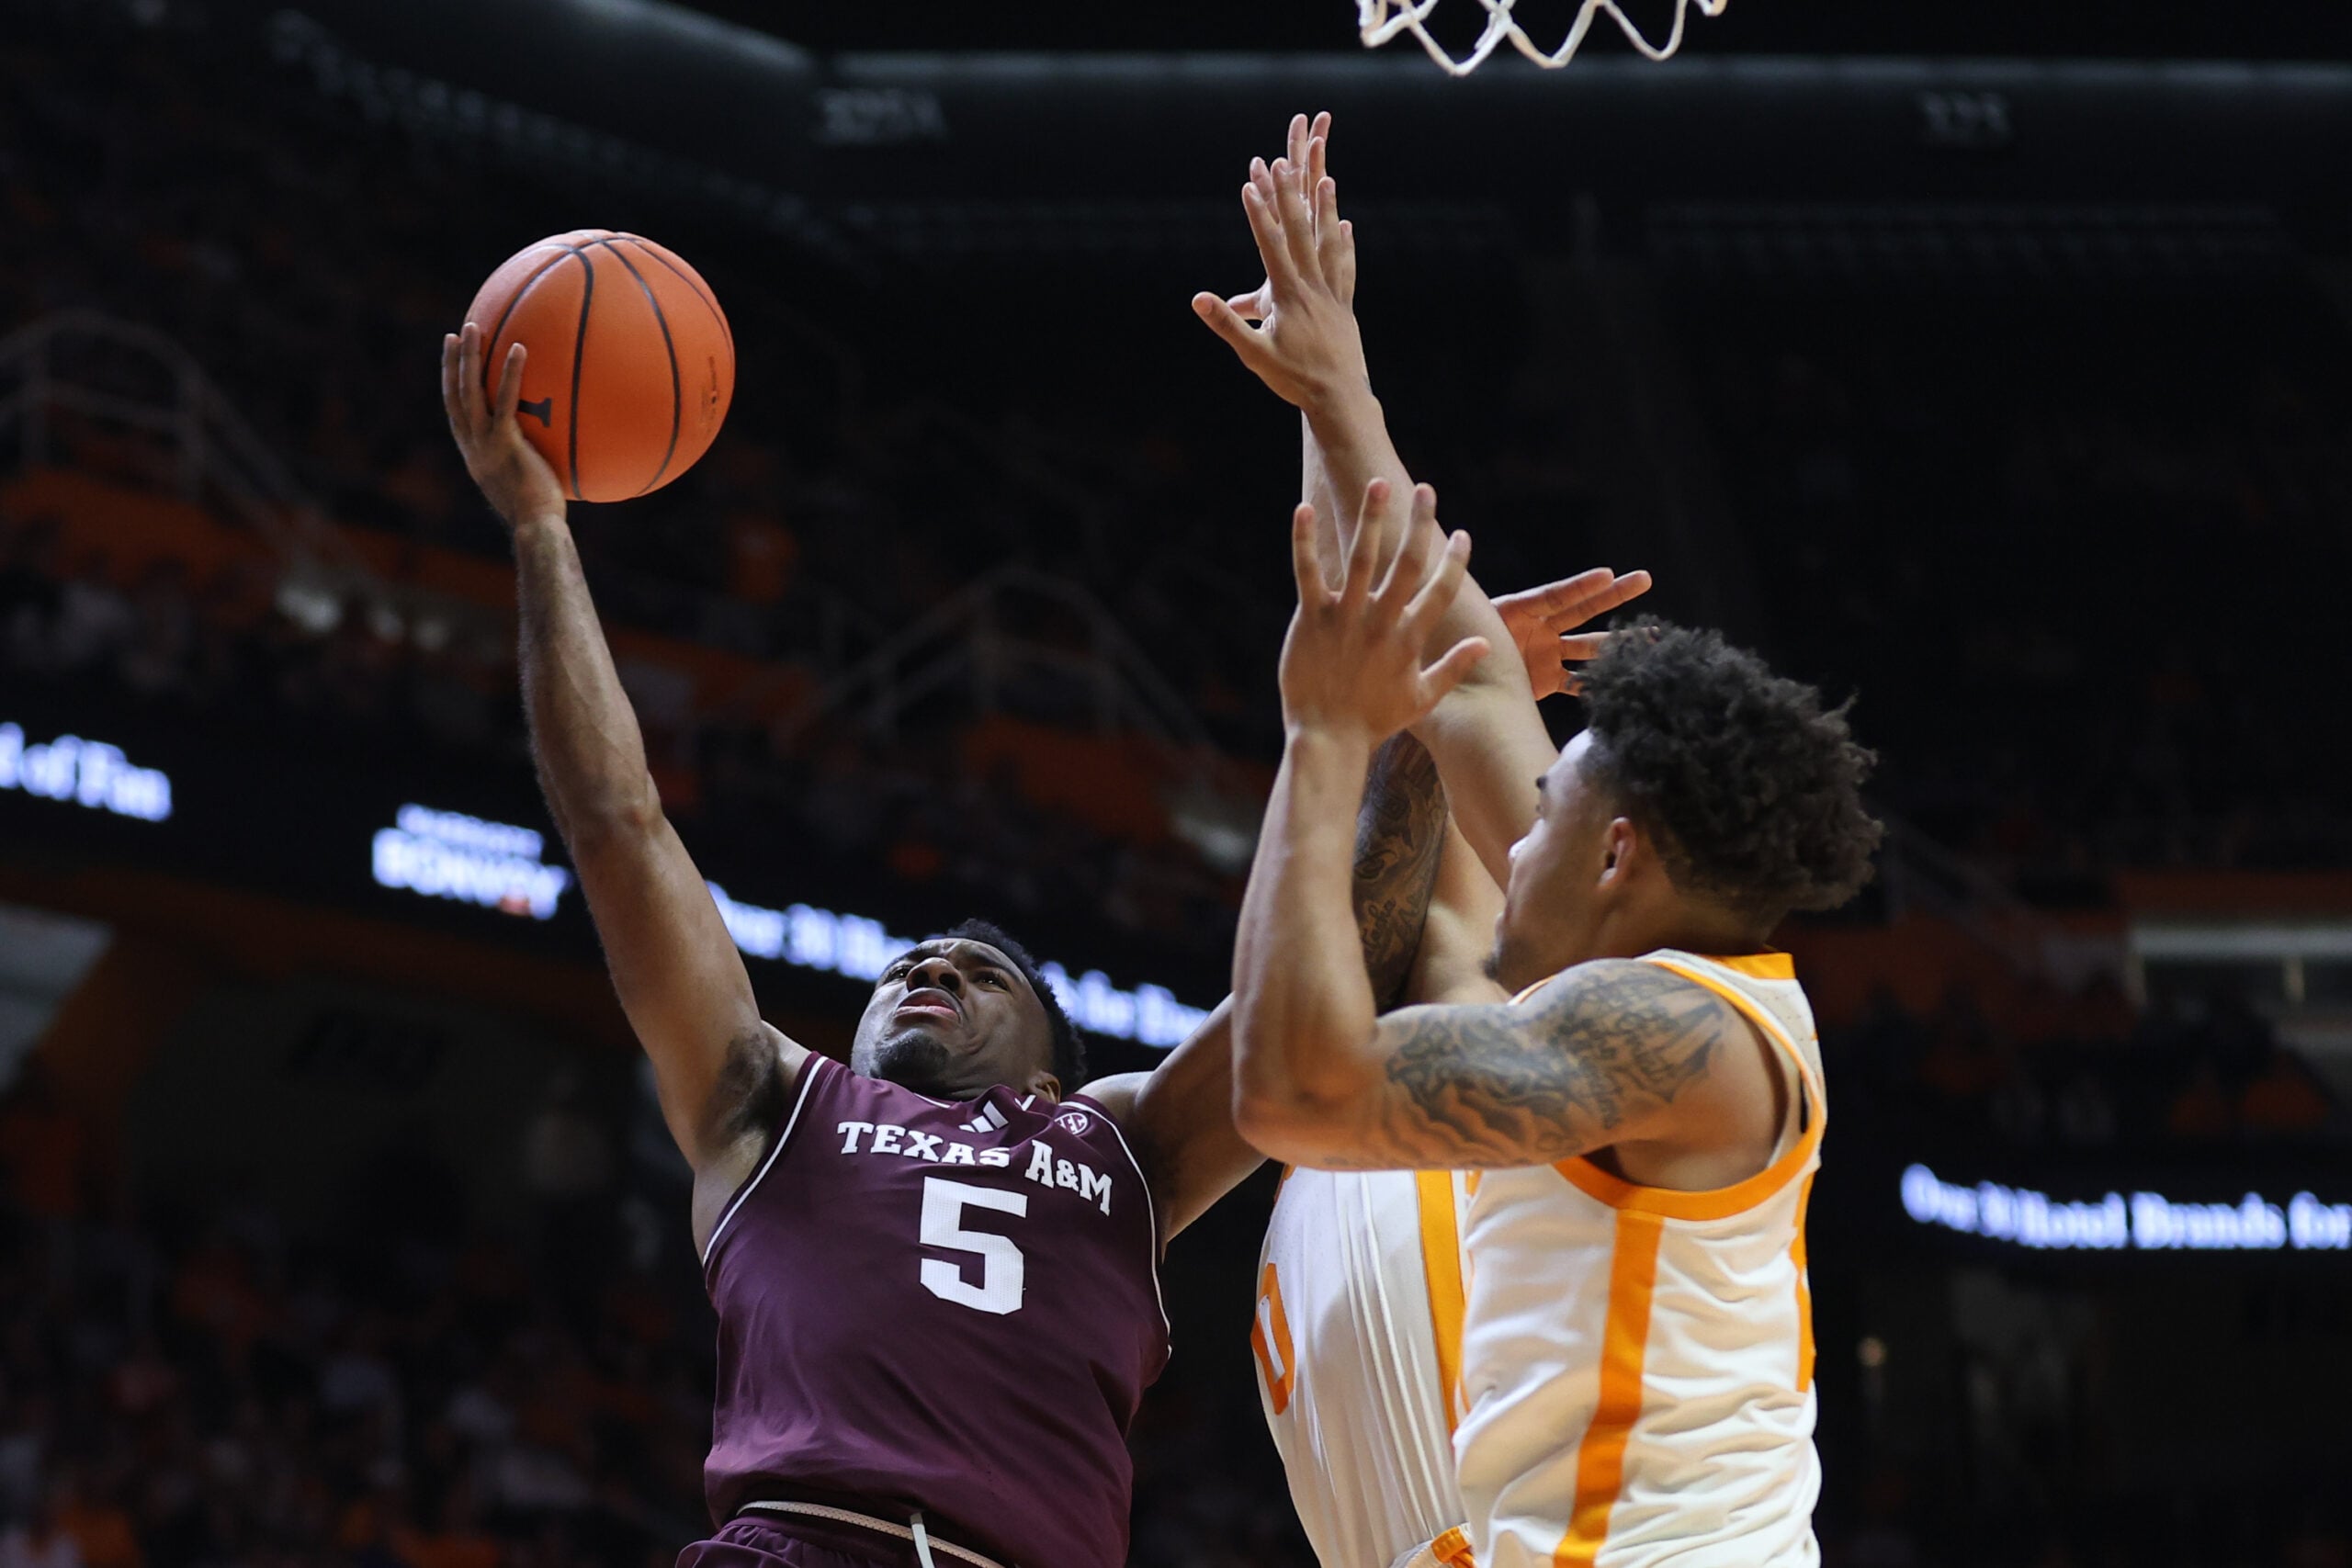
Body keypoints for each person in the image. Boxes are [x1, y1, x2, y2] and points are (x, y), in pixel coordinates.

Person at [437, 321, 1599, 1568]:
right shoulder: (770, 1105)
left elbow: (1342, 971)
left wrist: (1425, 733)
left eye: (977, 972)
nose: (925, 969)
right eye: (906, 967)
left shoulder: (1124, 1148)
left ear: (1053, 1075)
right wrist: (540, 533)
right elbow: (621, 825)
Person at [1213, 117, 1883, 1568]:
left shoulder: (1677, 1033)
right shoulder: (1662, 957)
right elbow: (1467, 681)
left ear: (1619, 854)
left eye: (1545, 818)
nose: (1509, 839)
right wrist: (1337, 388)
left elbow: (1297, 1090)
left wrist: (1328, 741)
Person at [1197, 114, 1638, 1568]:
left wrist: (1340, 393)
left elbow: (1383, 671)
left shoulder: (1559, 1024)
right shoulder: (1360, 1042)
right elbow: (1371, 637)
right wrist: (1326, 399)